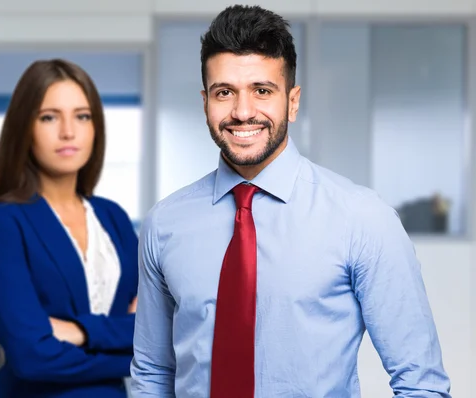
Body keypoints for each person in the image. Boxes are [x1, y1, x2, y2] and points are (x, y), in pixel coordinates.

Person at [130, 5, 451, 398]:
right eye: (224, 92)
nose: (242, 112)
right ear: (205, 102)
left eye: (262, 91)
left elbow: (420, 384)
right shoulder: (165, 224)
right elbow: (153, 373)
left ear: (293, 102)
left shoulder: (363, 219)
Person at [0, 59, 139, 398]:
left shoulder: (114, 219)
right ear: (24, 127)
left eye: (82, 116)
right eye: (49, 117)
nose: (68, 131)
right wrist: (129, 352)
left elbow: (158, 330)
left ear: (96, 127)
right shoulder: (0, 224)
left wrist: (79, 330)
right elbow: (31, 357)